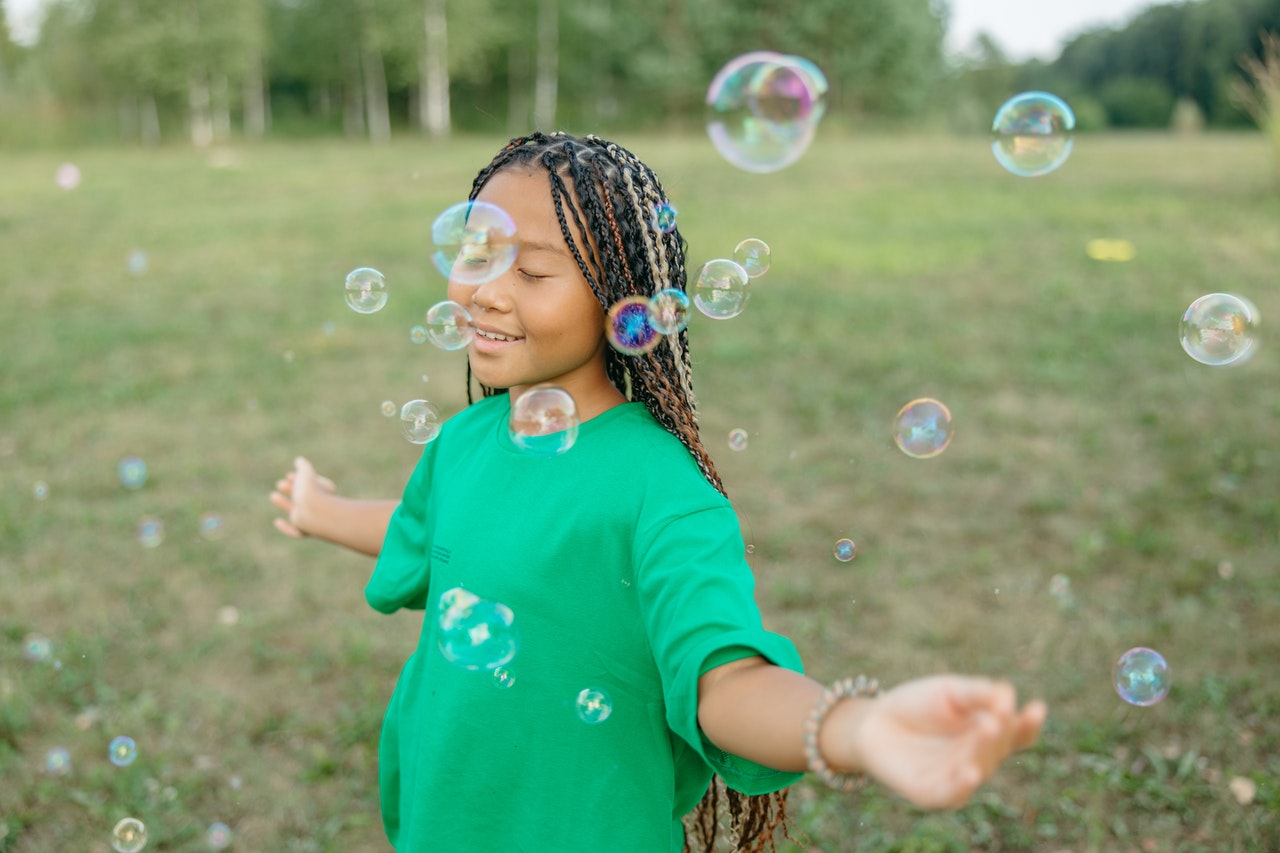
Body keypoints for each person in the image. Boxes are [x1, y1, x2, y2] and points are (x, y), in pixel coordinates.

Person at [270, 132, 1046, 852]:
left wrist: (856, 726)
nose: (484, 291)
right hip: (448, 818)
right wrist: (321, 511)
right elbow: (433, 530)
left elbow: (727, 679)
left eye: (533, 271)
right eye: (475, 252)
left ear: (623, 300)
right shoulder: (466, 440)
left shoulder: (661, 491)